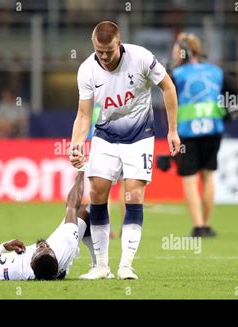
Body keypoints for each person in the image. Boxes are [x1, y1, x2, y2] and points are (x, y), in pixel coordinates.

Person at [69, 21, 181, 280]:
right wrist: (77, 142)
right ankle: (101, 266)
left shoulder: (141, 57)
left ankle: (126, 265)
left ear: (118, 44)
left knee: (133, 195)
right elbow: (84, 114)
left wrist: (173, 130)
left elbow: (168, 87)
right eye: (99, 51)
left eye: (108, 50)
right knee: (97, 192)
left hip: (140, 135)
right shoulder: (87, 70)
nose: (104, 56)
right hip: (106, 136)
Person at [0, 168, 103, 281]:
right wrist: (82, 169)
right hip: (55, 265)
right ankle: (100, 266)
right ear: (54, 254)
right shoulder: (66, 243)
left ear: (31, 260)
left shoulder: (20, 269)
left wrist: (3, 247)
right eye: (46, 247)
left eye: (39, 248)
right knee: (85, 210)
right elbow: (72, 204)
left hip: (44, 267)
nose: (42, 244)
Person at [170, 32, 238, 237]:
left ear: (183, 51)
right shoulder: (215, 71)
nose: (174, 53)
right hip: (214, 129)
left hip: (187, 131)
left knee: (190, 180)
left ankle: (198, 226)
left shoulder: (176, 74)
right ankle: (208, 225)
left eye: (176, 49)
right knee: (209, 176)